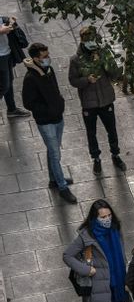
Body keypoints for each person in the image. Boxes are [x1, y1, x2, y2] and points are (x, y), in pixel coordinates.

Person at [63, 199, 134, 302]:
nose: (107, 219)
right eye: (103, 217)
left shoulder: (116, 228)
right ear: (94, 218)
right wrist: (86, 270)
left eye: (109, 215)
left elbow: (121, 250)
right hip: (99, 282)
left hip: (118, 277)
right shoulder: (86, 236)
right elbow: (67, 256)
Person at [22, 42, 77, 204]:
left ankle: (54, 178)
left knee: (53, 151)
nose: (48, 59)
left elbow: (55, 90)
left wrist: (59, 103)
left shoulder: (49, 70)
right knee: (55, 154)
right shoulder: (30, 78)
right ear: (36, 59)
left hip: (57, 117)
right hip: (46, 122)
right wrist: (47, 110)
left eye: (48, 55)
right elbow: (28, 103)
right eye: (44, 57)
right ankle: (62, 187)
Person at [68, 26, 126, 175]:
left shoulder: (103, 53)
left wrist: (104, 62)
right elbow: (73, 80)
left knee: (111, 130)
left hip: (106, 100)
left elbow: (113, 74)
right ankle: (96, 159)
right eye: (87, 39)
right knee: (91, 132)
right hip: (89, 103)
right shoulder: (76, 60)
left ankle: (115, 154)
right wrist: (86, 80)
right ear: (82, 41)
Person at [0, 15, 31, 119]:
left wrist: (12, 24)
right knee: (4, 85)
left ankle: (12, 109)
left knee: (9, 81)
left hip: (7, 53)